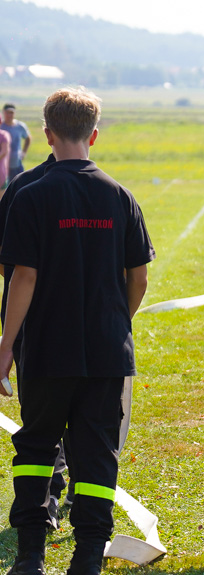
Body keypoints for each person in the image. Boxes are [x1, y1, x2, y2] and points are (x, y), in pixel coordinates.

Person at [0, 87, 155, 575]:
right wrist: (115, 324)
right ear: (94, 134)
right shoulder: (120, 196)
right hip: (108, 350)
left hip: (46, 348)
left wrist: (5, 347)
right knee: (96, 454)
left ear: (46, 134)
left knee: (37, 445)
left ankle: (29, 556)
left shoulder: (29, 194)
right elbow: (140, 278)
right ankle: (88, 556)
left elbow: (22, 276)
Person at [0, 152, 74, 531]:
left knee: (39, 416)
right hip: (87, 321)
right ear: (92, 135)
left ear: (47, 134)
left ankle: (45, 501)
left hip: (28, 320)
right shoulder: (106, 189)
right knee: (88, 415)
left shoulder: (21, 187)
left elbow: (7, 262)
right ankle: (81, 495)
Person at [1, 103, 32, 182]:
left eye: (11, 112)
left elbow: (28, 138)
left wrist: (24, 152)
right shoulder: (1, 126)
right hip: (3, 161)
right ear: (3, 112)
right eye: (7, 112)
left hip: (16, 161)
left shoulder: (20, 126)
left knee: (19, 183)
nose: (9, 115)